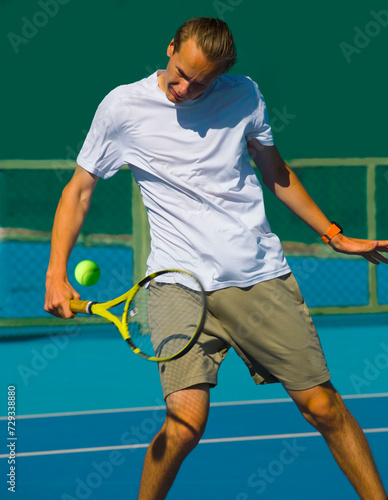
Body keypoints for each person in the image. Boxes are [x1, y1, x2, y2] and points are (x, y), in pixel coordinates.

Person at [44, 17, 388, 500]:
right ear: (169, 49)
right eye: (180, 73)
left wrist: (334, 234)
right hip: (174, 283)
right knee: (185, 425)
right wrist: (56, 272)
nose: (185, 88)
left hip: (258, 277)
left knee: (324, 407)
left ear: (222, 76)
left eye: (200, 82)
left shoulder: (244, 95)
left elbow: (276, 172)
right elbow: (79, 191)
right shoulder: (122, 107)